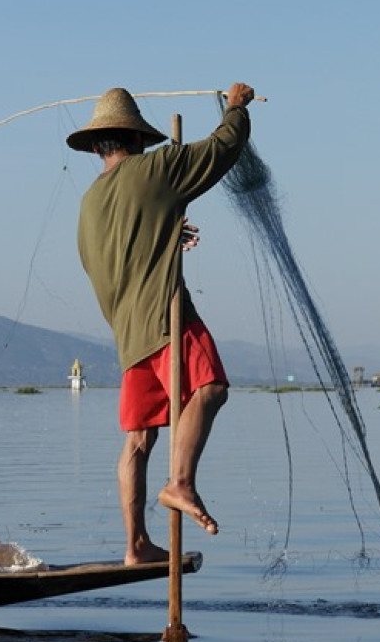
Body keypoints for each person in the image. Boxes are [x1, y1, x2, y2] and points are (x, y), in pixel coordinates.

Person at [71, 83, 254, 564]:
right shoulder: (156, 168)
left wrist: (166, 236)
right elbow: (221, 149)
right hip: (167, 316)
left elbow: (116, 258)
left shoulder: (89, 204)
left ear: (96, 146)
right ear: (138, 141)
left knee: (139, 439)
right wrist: (235, 108)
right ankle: (181, 483)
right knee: (211, 388)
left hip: (128, 333)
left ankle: (134, 546)